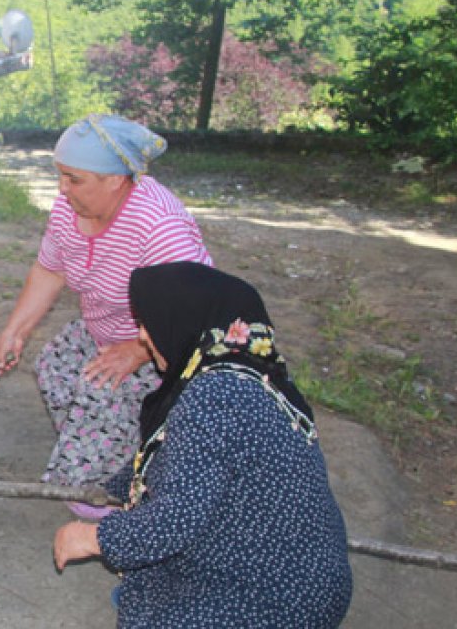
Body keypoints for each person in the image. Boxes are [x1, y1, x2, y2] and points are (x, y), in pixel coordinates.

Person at [52, 262, 353, 627]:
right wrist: (109, 490)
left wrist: (92, 537)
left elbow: (174, 521)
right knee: (146, 584)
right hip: (309, 578)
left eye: (149, 322)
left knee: (152, 605)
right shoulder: (252, 374)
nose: (144, 336)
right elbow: (179, 459)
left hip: (273, 595)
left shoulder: (215, 396)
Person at [0, 114, 210, 516]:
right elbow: (50, 269)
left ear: (115, 179)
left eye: (74, 179)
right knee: (55, 366)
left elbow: (197, 309)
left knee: (96, 401)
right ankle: (110, 446)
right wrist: (15, 330)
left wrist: (139, 350)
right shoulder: (66, 211)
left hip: (164, 350)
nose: (62, 188)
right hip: (103, 328)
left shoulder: (159, 225)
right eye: (60, 175)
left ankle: (115, 501)